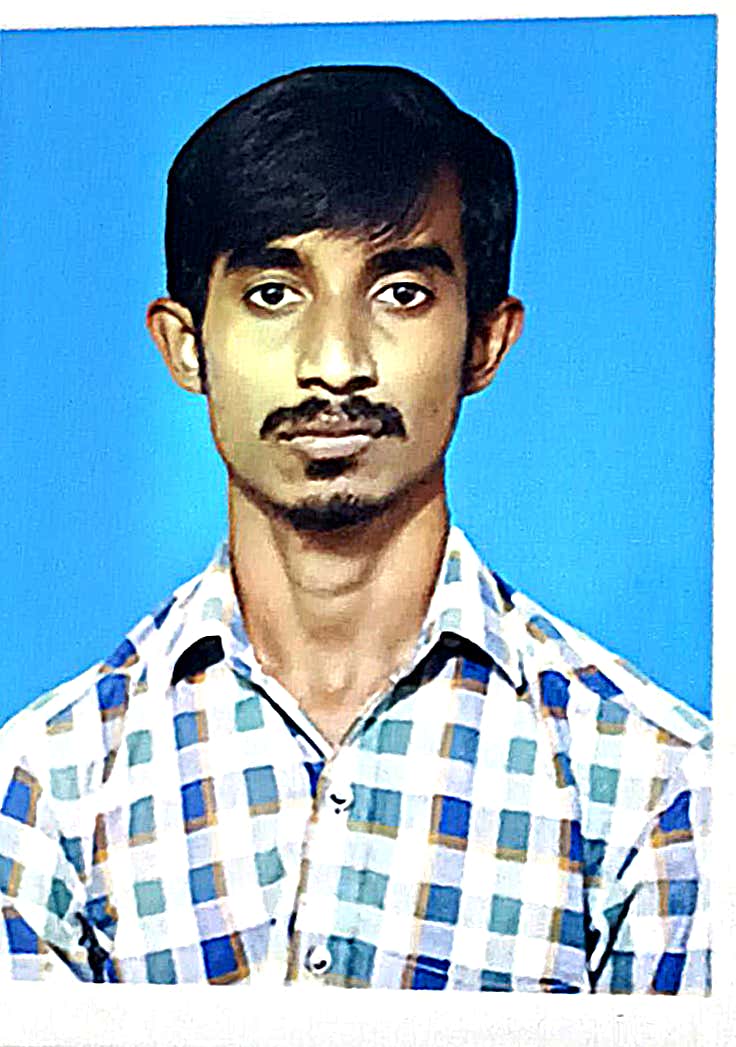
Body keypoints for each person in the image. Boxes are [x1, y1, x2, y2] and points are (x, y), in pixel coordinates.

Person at [0, 65, 710, 991]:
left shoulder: (657, 790)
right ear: (184, 344)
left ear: (485, 342)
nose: (335, 362)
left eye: (401, 292)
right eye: (272, 293)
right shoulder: (43, 793)